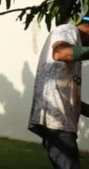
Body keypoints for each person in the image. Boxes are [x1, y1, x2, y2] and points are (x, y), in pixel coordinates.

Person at [27, 14, 89, 169]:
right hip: (56, 122)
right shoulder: (67, 30)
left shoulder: (75, 44)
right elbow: (60, 53)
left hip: (60, 121)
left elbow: (68, 97)